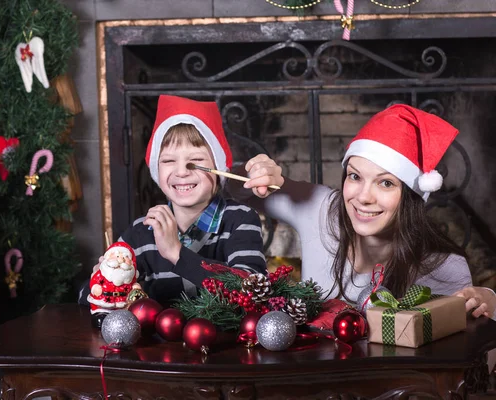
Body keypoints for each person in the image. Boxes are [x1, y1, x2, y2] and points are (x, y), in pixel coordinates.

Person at [230, 104, 496, 319]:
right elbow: (232, 187)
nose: (363, 197)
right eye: (355, 176)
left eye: (386, 183)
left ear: (412, 197)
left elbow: (464, 365)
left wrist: (490, 303)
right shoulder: (322, 208)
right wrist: (255, 171)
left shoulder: (444, 268)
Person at [79, 95, 267, 308]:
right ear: (156, 170)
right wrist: (107, 280)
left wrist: (176, 252)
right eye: (168, 161)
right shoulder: (141, 232)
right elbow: (85, 297)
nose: (181, 172)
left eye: (195, 161)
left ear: (218, 168)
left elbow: (253, 293)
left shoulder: (240, 220)